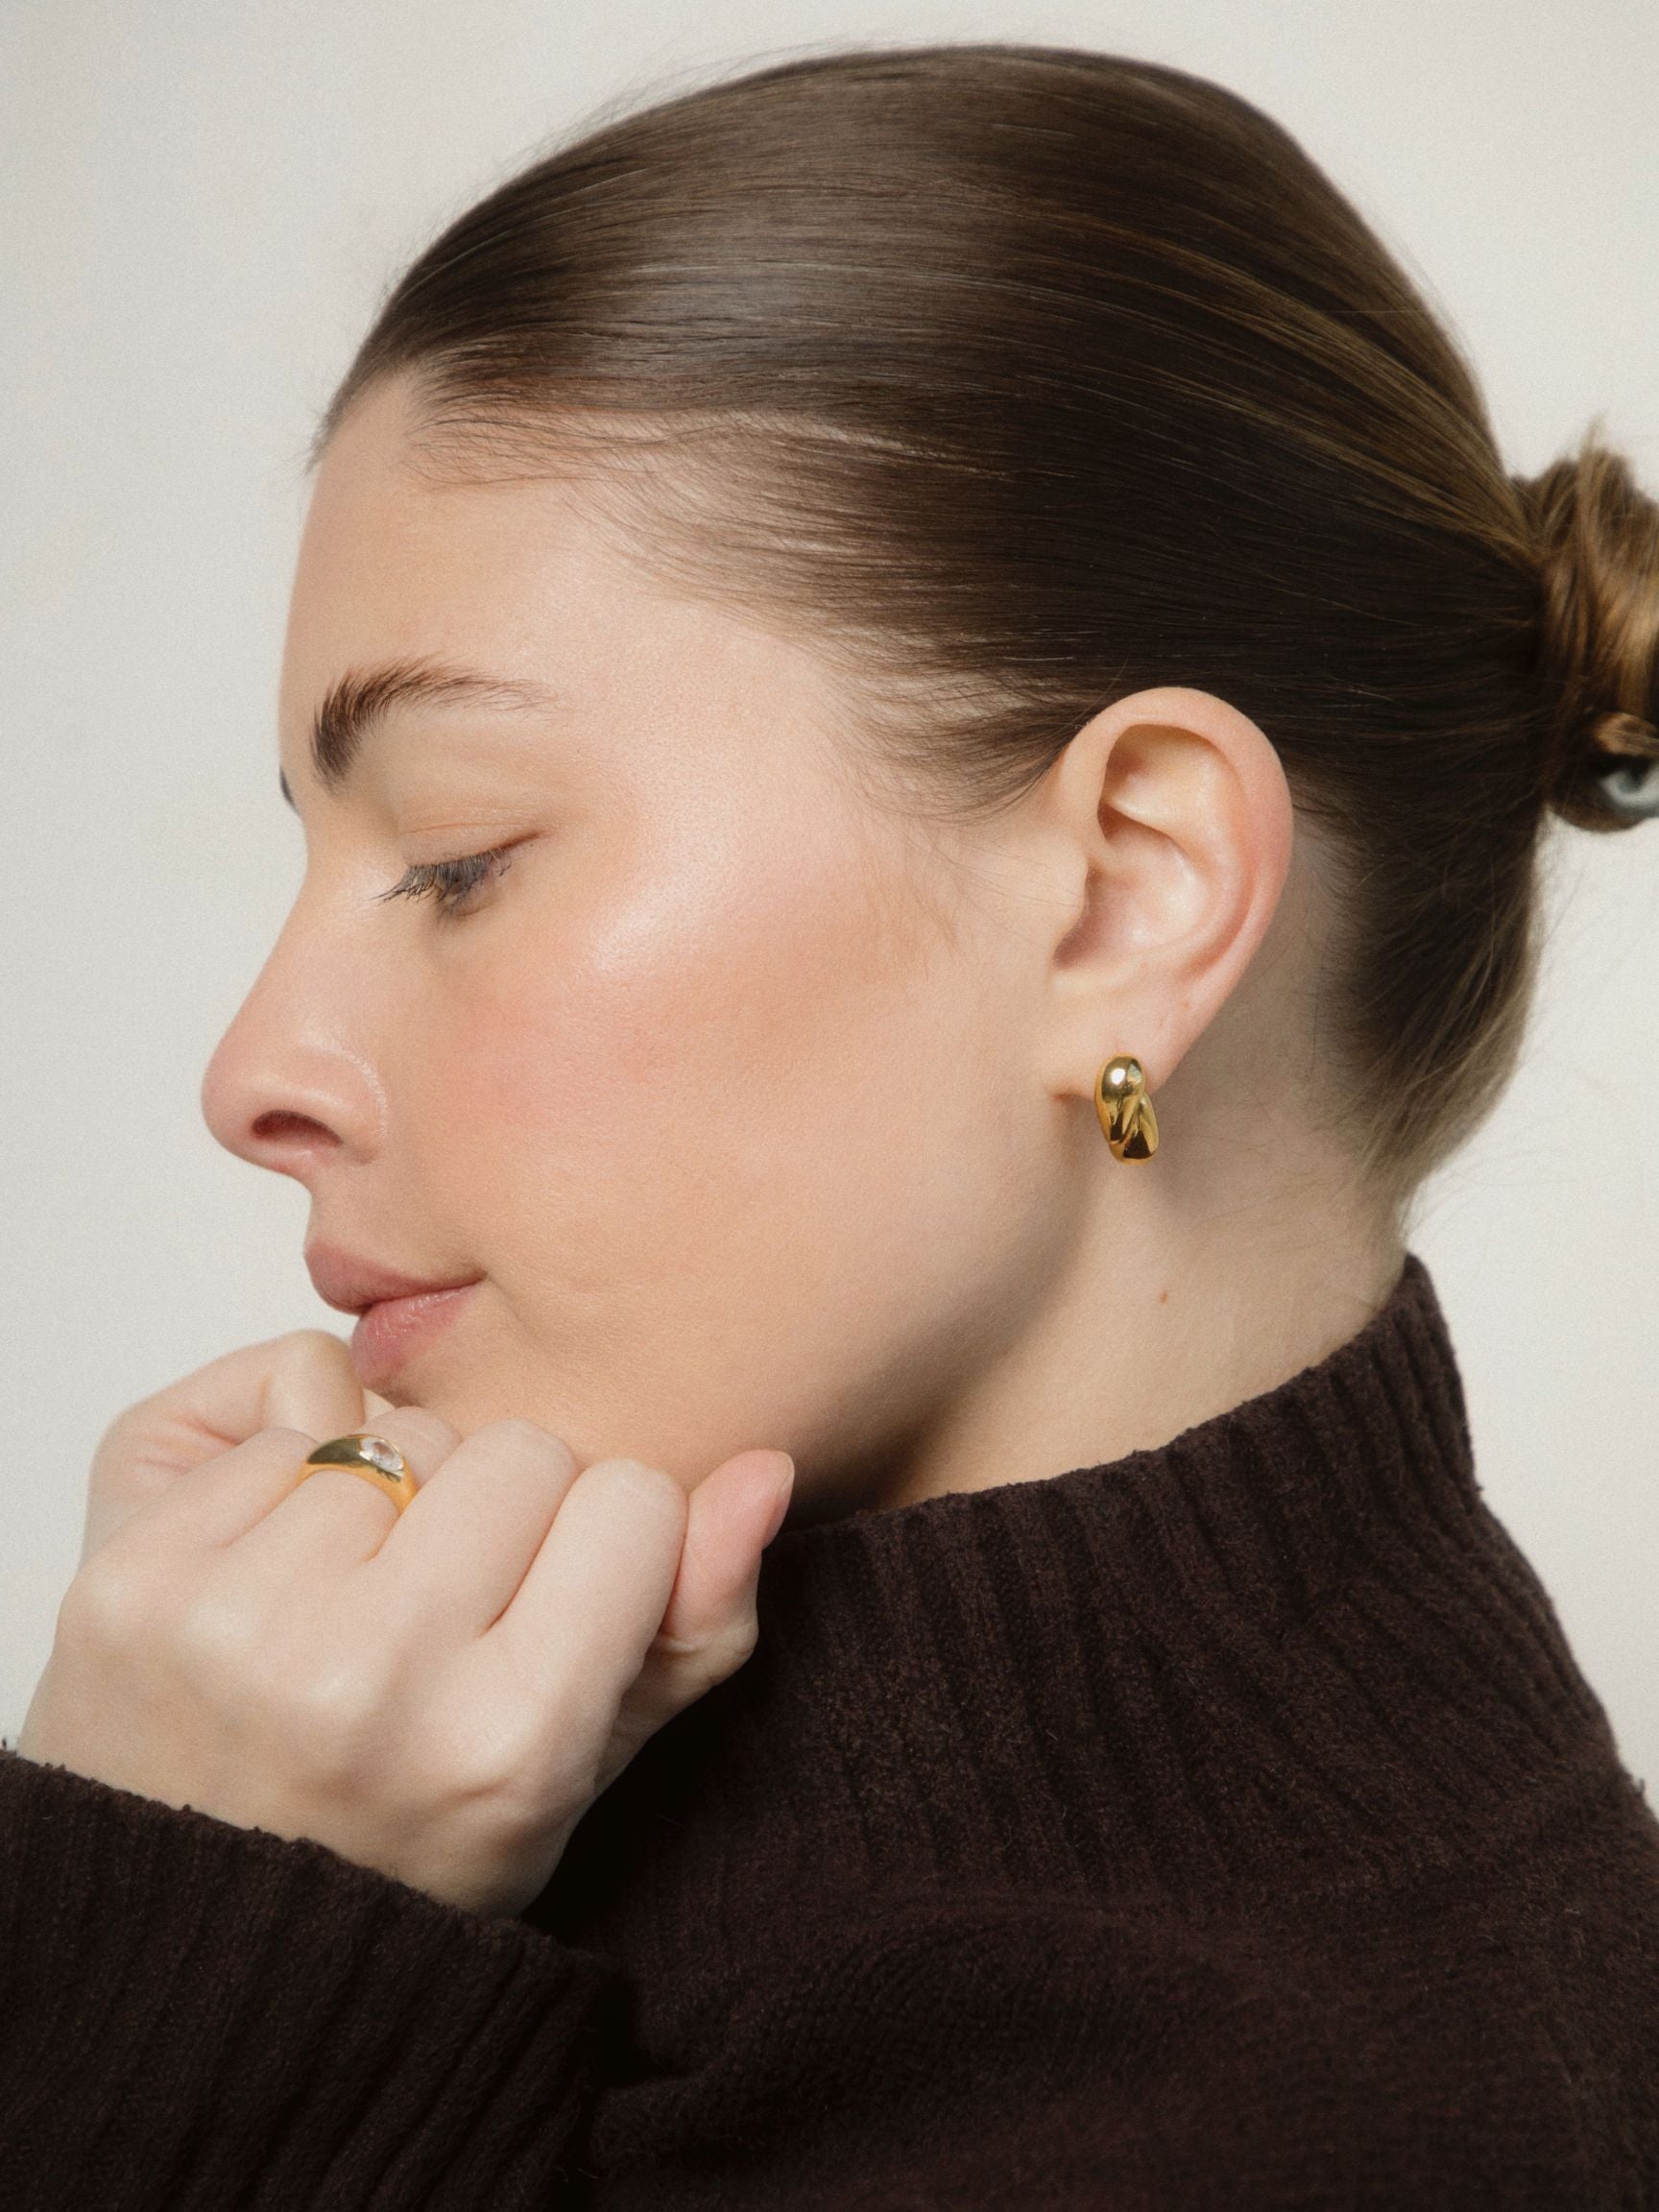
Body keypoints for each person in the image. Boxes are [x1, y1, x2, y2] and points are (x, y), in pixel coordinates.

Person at [3, 39, 1657, 2209]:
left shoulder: (1310, 2124)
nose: (253, 1073)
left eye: (461, 854)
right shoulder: (519, 1802)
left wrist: (170, 1960)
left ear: (1125, 896)